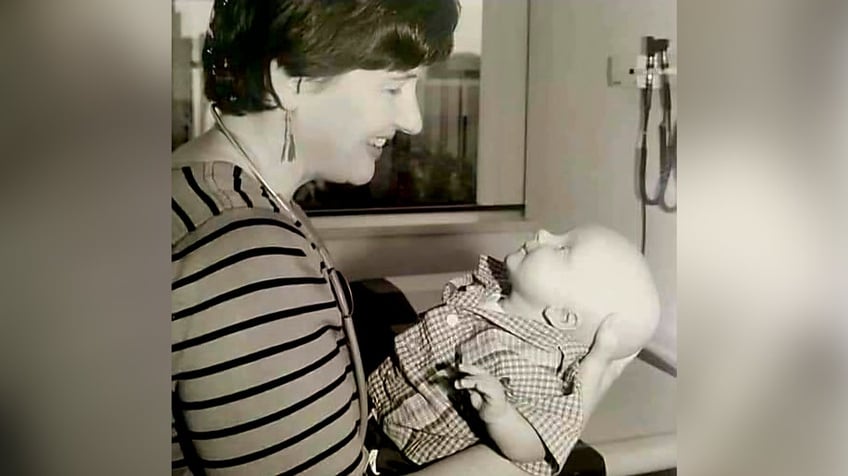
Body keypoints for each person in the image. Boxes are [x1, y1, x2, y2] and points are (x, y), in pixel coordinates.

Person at [171, 1, 639, 474]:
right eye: (393, 86)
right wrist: (557, 427)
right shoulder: (247, 254)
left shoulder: (208, 191)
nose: (414, 120)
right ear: (294, 81)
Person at [368, 225, 660, 476]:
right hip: (380, 396)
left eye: (562, 249)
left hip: (406, 448)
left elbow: (535, 446)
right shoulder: (498, 290)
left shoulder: (532, 362)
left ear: (563, 316)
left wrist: (501, 414)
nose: (544, 233)